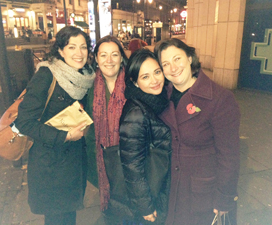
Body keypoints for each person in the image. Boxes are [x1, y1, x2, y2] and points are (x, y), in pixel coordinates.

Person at [154, 38, 240, 225]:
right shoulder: (161, 95)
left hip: (201, 194)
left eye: (177, 59)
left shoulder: (219, 98)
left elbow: (229, 155)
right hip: (169, 190)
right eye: (165, 64)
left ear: (190, 58)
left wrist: (225, 196)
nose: (173, 67)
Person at [15, 26, 95, 225]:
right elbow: (24, 122)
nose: (79, 53)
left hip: (75, 163)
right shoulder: (46, 75)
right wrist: (65, 136)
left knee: (69, 215)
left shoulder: (85, 78)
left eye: (83, 47)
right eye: (71, 47)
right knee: (58, 218)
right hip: (51, 165)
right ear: (60, 50)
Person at [118, 49, 172, 224]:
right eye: (145, 77)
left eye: (157, 72)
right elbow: (132, 166)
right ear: (134, 82)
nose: (155, 80)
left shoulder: (159, 100)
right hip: (151, 196)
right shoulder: (136, 113)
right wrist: (145, 206)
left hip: (160, 188)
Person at [84, 35, 128, 218]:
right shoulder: (88, 87)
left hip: (129, 158)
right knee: (112, 207)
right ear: (96, 58)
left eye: (114, 55)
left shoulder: (134, 84)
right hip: (101, 157)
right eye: (103, 55)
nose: (109, 61)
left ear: (121, 58)